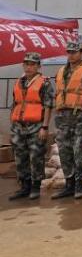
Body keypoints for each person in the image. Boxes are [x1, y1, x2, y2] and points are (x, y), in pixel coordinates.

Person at [51, 41, 82, 200]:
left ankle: (79, 186)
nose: (71, 55)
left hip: (79, 118)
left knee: (78, 152)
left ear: (81, 53)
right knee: (64, 151)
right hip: (62, 119)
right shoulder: (60, 71)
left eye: (74, 52)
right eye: (69, 52)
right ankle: (69, 184)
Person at [8, 52, 54, 201]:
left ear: (38, 66)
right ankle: (24, 186)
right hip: (18, 126)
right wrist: (12, 125)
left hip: (36, 126)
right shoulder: (18, 82)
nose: (29, 67)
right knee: (20, 157)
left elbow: (48, 106)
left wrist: (45, 127)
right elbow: (15, 104)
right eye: (26, 64)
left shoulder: (44, 83)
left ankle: (35, 187)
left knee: (36, 157)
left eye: (32, 64)